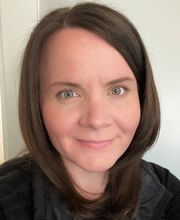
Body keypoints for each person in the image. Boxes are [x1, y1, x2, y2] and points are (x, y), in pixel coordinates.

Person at [0, 2, 179, 220]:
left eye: (117, 90)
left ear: (141, 97)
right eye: (68, 93)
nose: (96, 119)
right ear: (36, 104)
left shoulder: (167, 193)